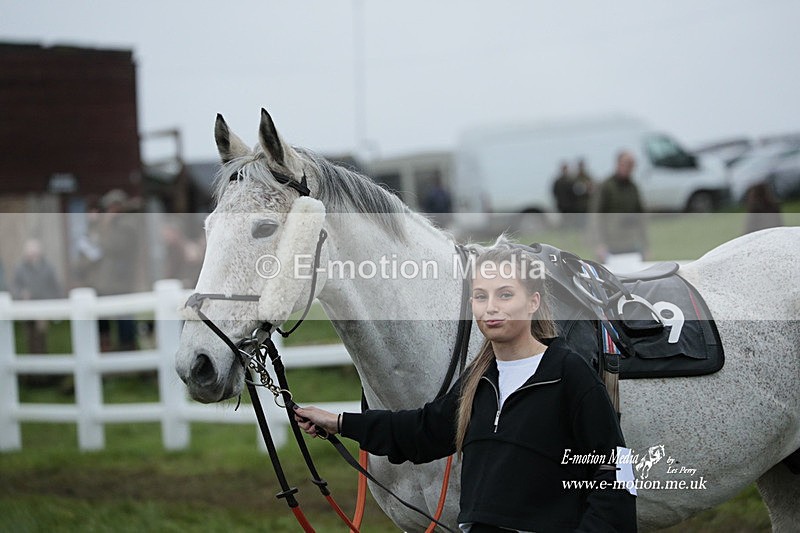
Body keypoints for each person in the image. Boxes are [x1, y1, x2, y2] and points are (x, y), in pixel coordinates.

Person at [294, 244, 637, 532]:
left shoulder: (568, 374)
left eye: (505, 294)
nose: (491, 307)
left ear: (533, 302)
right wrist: (338, 422)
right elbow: (421, 430)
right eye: (480, 296)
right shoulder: (480, 378)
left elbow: (615, 470)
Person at [591, 151, 648, 268]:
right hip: (610, 244)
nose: (629, 168)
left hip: (631, 243)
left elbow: (641, 217)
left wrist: (645, 245)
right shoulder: (606, 186)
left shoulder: (633, 188)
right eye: (626, 164)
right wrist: (599, 244)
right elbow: (596, 217)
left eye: (632, 165)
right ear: (618, 164)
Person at [12, 239, 62, 355]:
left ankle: (50, 366)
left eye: (34, 253)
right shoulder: (20, 268)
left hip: (45, 310)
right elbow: (15, 288)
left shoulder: (48, 267)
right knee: (30, 339)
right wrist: (21, 294)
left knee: (44, 338)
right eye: (30, 254)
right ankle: (33, 367)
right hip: (27, 310)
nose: (32, 257)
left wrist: (47, 308)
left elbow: (55, 289)